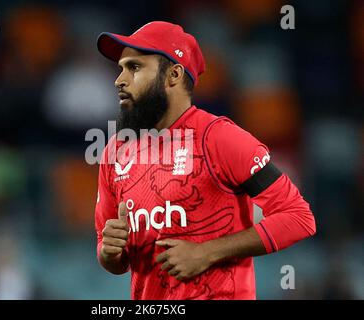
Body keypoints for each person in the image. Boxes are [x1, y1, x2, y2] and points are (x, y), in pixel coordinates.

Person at [94, 21, 316, 300]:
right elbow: (112, 257)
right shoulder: (116, 151)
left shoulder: (219, 138)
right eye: (121, 68)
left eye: (134, 67)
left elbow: (298, 218)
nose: (119, 80)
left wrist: (206, 252)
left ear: (173, 75)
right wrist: (110, 252)